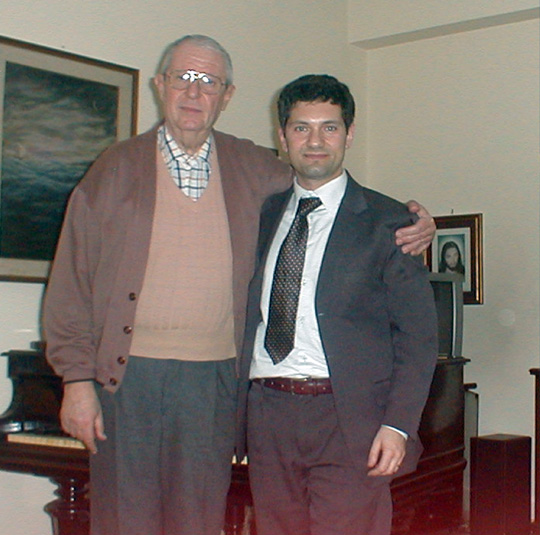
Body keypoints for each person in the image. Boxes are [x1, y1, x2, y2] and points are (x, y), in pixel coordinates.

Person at [43, 35, 435, 535]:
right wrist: (76, 381)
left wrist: (419, 221)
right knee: (125, 518)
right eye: (182, 77)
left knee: (201, 519)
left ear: (226, 96)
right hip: (129, 378)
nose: (193, 92)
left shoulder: (254, 168)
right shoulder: (114, 169)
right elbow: (71, 282)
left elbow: (324, 182)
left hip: (217, 381)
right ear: (160, 85)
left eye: (208, 82)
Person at [236, 74, 439, 535]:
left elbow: (419, 337)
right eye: (301, 127)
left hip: (351, 420)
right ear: (282, 136)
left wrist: (398, 425)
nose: (314, 141)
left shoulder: (390, 222)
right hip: (267, 414)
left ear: (349, 134)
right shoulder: (261, 215)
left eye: (329, 127)